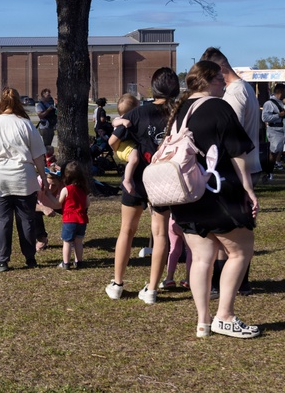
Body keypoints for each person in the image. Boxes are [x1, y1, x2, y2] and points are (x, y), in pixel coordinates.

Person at [168, 61, 260, 338]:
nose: (225, 83)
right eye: (220, 79)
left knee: (201, 258)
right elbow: (237, 153)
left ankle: (203, 321)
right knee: (241, 250)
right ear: (209, 81)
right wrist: (248, 188)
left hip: (187, 195)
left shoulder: (180, 111)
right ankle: (225, 316)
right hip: (219, 191)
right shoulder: (219, 108)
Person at [105, 67, 180, 304]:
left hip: (137, 178)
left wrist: (122, 133)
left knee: (127, 230)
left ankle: (117, 284)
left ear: (153, 88)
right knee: (160, 235)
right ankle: (152, 289)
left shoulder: (138, 113)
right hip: (165, 179)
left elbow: (113, 140)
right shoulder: (180, 114)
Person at [199, 47, 261, 296]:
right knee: (237, 226)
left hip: (237, 167)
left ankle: (230, 282)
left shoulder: (235, 94)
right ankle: (235, 281)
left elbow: (225, 133)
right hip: (246, 164)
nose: (212, 82)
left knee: (232, 228)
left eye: (212, 75)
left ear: (221, 69)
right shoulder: (245, 88)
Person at [0, 87, 47, 271]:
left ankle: (2, 260)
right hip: (23, 176)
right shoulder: (25, 124)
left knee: (2, 220)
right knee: (26, 219)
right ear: (19, 102)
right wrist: (44, 177)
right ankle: (30, 258)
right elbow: (38, 155)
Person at [55, 161, 89, 270]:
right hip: (82, 219)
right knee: (78, 242)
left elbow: (59, 202)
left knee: (67, 242)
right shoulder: (84, 190)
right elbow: (87, 203)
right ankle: (79, 262)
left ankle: (65, 263)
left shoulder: (66, 189)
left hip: (69, 219)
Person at [113, 92, 141, 195]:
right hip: (123, 146)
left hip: (126, 145)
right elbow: (114, 122)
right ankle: (127, 180)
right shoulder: (121, 119)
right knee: (134, 159)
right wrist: (122, 122)